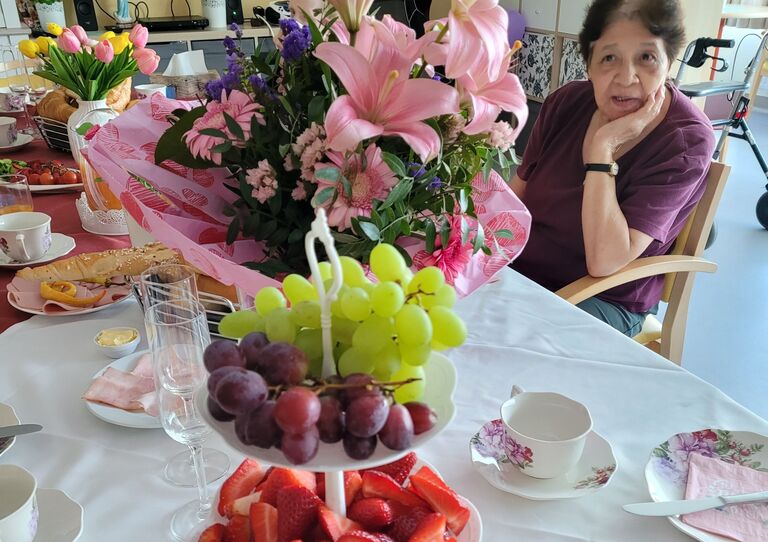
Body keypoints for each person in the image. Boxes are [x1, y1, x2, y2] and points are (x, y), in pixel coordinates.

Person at [510, 0, 715, 337]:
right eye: (609, 57)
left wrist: (602, 151)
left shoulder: (686, 140)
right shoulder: (564, 103)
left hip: (601, 297)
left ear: (670, 63)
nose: (626, 77)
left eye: (647, 58)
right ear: (588, 63)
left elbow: (604, 262)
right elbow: (514, 199)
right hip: (523, 274)